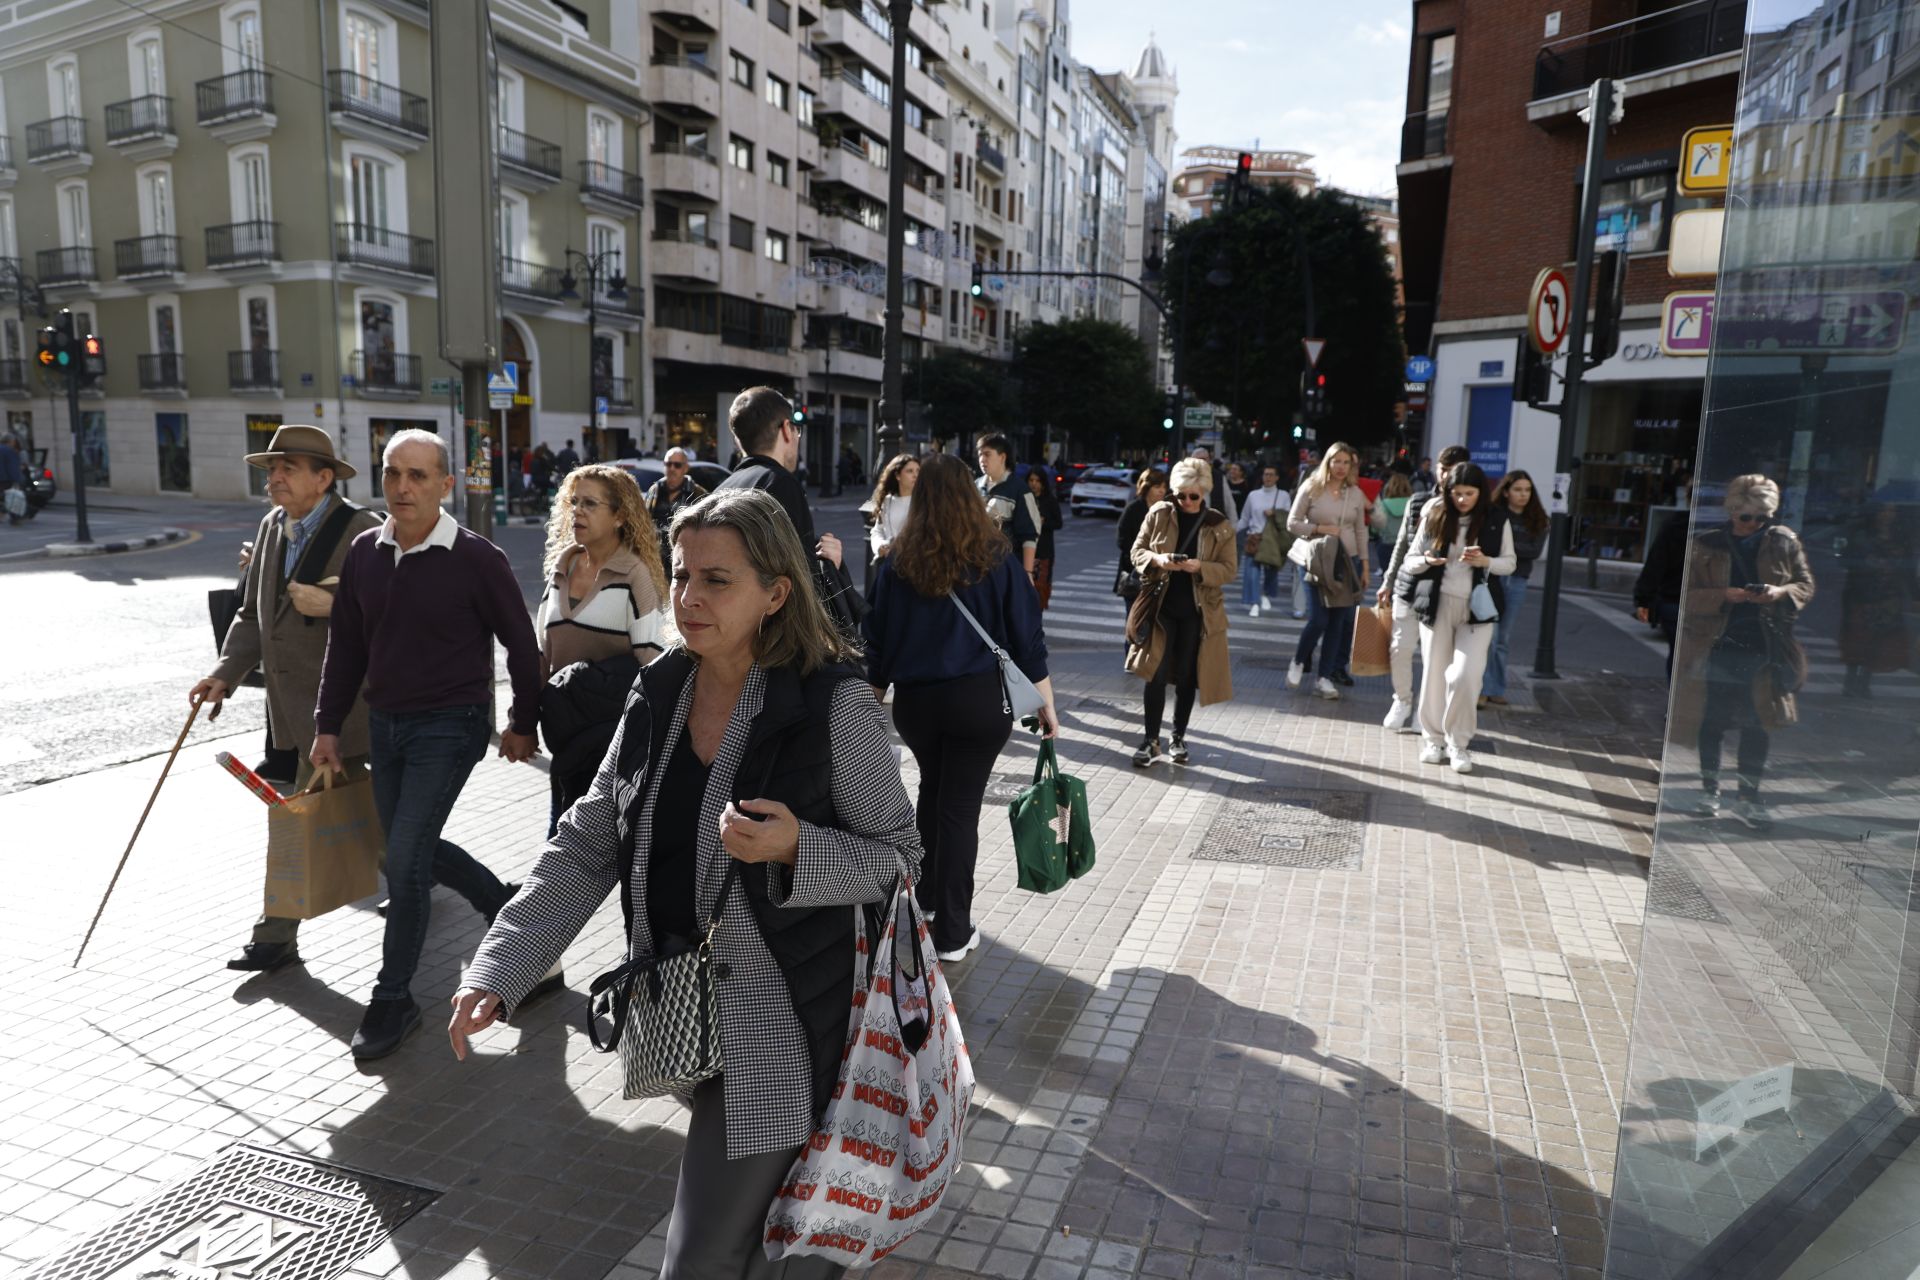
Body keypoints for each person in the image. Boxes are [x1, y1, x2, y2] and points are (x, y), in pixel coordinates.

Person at [453, 489, 920, 1279]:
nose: (689, 599)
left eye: (717, 581)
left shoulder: (832, 703)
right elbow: (587, 841)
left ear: (776, 593)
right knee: (773, 1240)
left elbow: (903, 858)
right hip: (684, 1006)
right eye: (680, 575)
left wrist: (799, 846)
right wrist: (503, 966)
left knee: (701, 1256)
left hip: (784, 1023)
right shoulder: (662, 688)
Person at [312, 429, 541, 1060]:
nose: (403, 487)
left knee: (406, 860)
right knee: (403, 849)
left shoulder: (477, 558)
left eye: (418, 476)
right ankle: (503, 907)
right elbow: (347, 648)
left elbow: (523, 647)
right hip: (385, 723)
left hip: (451, 721)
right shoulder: (363, 553)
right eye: (393, 474)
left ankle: (393, 998)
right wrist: (327, 726)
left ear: (446, 485)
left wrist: (524, 722)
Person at [191, 425, 382, 974]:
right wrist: (224, 673)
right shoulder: (274, 525)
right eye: (271, 469)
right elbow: (253, 613)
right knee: (381, 834)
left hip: (349, 710)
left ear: (323, 478)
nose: (274, 478)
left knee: (317, 824)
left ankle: (275, 938)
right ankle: (276, 938)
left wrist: (335, 603)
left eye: (288, 468)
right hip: (296, 713)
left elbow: (393, 614)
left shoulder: (362, 530)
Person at [866, 454, 1056, 961]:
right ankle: (952, 930)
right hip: (977, 702)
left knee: (933, 790)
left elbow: (876, 645)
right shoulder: (996, 560)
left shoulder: (896, 562)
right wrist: (1047, 705)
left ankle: (927, 901)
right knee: (958, 809)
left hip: (917, 705)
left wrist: (868, 704)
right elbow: (1027, 639)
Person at [1674, 475, 1813, 828]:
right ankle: (1709, 792)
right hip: (1717, 645)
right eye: (1744, 516)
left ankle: (1749, 798)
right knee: (1712, 721)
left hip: (1763, 646)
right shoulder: (1706, 544)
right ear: (1732, 510)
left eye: (1760, 518)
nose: (1752, 524)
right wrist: (1724, 594)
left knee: (1759, 723)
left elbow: (1805, 584)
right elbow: (1684, 596)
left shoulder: (1783, 541)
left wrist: (1779, 593)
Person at [537, 464, 669, 828]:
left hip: (613, 741)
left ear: (619, 516)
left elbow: (652, 664)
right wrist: (523, 723)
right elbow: (542, 654)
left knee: (579, 841)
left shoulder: (635, 576)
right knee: (561, 834)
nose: (577, 511)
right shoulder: (560, 569)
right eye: (574, 501)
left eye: (590, 504)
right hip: (564, 733)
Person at [1396, 462, 1515, 774]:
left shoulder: (1495, 520)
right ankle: (1432, 740)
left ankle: (1458, 744)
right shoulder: (1435, 513)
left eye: (1469, 493)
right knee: (1435, 673)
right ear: (1448, 492)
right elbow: (1409, 560)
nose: (1462, 499)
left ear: (1481, 493)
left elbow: (1509, 563)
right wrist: (1426, 560)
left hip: (1478, 608)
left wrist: (1485, 560)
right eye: (1457, 493)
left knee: (1466, 676)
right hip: (1438, 604)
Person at [718, 387, 855, 639]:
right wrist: (831, 565)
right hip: (771, 640)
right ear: (786, 429)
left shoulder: (722, 488)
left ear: (738, 439)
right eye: (796, 428)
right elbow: (802, 578)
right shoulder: (779, 483)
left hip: (730, 631)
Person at [1126, 458, 1235, 767]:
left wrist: (1200, 567)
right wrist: (1158, 561)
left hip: (1198, 613)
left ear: (1204, 493)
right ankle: (1150, 741)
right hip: (1160, 607)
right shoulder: (1159, 513)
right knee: (1154, 675)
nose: (1186, 501)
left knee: (1186, 676)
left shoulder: (1218, 525)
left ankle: (1178, 737)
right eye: (1180, 495)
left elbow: (1229, 569)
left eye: (1193, 496)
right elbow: (1136, 551)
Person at [1379, 445, 1470, 730]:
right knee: (1400, 648)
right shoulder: (1418, 501)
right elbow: (1402, 546)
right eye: (1443, 470)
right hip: (1410, 586)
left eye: (1454, 471)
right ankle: (1402, 699)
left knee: (1437, 657)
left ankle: (1427, 710)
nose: (1447, 476)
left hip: (1444, 592)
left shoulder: (1470, 512)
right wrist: (1388, 581)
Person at [1286, 442, 1371, 699]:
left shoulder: (1354, 493)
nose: (1341, 467)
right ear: (1328, 462)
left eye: (1346, 462)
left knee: (1338, 621)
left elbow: (1360, 530)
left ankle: (1324, 677)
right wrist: (1319, 529)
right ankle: (1299, 660)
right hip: (1316, 559)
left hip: (1347, 562)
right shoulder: (1312, 487)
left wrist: (1365, 566)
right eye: (1337, 462)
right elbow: (1292, 522)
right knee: (1319, 618)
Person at [1481, 470, 1549, 706]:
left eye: (1527, 490)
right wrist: (1508, 550)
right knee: (1489, 635)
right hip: (1494, 577)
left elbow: (1534, 551)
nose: (1523, 495)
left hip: (1518, 580)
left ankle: (1495, 688)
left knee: (1503, 638)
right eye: (1518, 489)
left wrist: (1507, 548)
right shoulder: (1495, 515)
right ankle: (1481, 688)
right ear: (1507, 491)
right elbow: (1490, 547)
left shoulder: (1538, 519)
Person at [1838, 505, 1912, 698]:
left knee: (1877, 641)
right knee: (1857, 639)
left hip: (1888, 598)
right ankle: (1850, 681)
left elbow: (1908, 570)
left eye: (1892, 511)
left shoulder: (1900, 539)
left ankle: (1864, 683)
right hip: (1861, 595)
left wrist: (1913, 595)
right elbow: (1846, 560)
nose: (1887, 515)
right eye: (1883, 510)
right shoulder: (1862, 535)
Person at [975, 432, 1041, 579]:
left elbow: (1029, 535)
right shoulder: (975, 486)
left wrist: (1027, 573)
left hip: (1007, 568)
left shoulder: (1019, 490)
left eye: (987, 454)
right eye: (980, 455)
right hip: (978, 567)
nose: (982, 460)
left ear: (1002, 457)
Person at [1634, 513, 1689, 679]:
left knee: (1677, 653)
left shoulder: (1674, 524)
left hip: (1673, 598)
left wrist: (1642, 600)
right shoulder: (1724, 527)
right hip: (1705, 603)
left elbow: (1655, 564)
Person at [1237, 463, 1290, 617]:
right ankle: (1254, 602)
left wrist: (1275, 513)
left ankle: (1266, 594)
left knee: (1271, 571)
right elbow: (1245, 518)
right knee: (1252, 572)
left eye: (1271, 474)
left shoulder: (1284, 495)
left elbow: (1288, 518)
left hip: (1273, 540)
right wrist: (1232, 532)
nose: (1268, 477)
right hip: (1254, 537)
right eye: (1265, 474)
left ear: (1277, 478)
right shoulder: (1253, 495)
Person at [645, 447, 709, 569]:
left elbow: (706, 528)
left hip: (685, 561)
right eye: (668, 464)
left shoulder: (697, 493)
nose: (672, 469)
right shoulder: (655, 491)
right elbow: (643, 520)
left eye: (677, 465)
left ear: (686, 468)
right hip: (657, 562)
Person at [1117, 467, 1168, 609]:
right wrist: (1143, 558)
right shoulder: (1133, 509)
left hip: (1160, 573)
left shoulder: (1167, 510)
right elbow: (1122, 539)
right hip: (1135, 571)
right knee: (1134, 619)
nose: (1162, 491)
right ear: (1146, 487)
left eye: (1164, 487)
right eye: (1157, 486)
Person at [864, 452, 919, 564]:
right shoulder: (887, 501)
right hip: (889, 563)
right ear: (898, 476)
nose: (915, 475)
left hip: (914, 564)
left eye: (918, 471)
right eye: (910, 471)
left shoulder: (923, 501)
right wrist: (880, 546)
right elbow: (877, 531)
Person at [1026, 466, 1064, 609]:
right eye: (1031, 480)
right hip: (1024, 549)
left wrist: (1044, 522)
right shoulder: (1023, 498)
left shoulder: (1049, 500)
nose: (1034, 484)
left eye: (1037, 480)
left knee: (1040, 590)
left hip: (1043, 552)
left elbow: (1058, 523)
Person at [1369, 472, 1413, 578]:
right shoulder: (1412, 503)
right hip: (1406, 546)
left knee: (1387, 579)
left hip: (1386, 544)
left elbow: (1375, 529)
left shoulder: (1383, 504)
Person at [0, 434, 24, 524]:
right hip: (6, 479)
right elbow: (12, 467)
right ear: (11, 441)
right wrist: (17, 479)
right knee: (12, 497)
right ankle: (14, 517)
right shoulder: (9, 451)